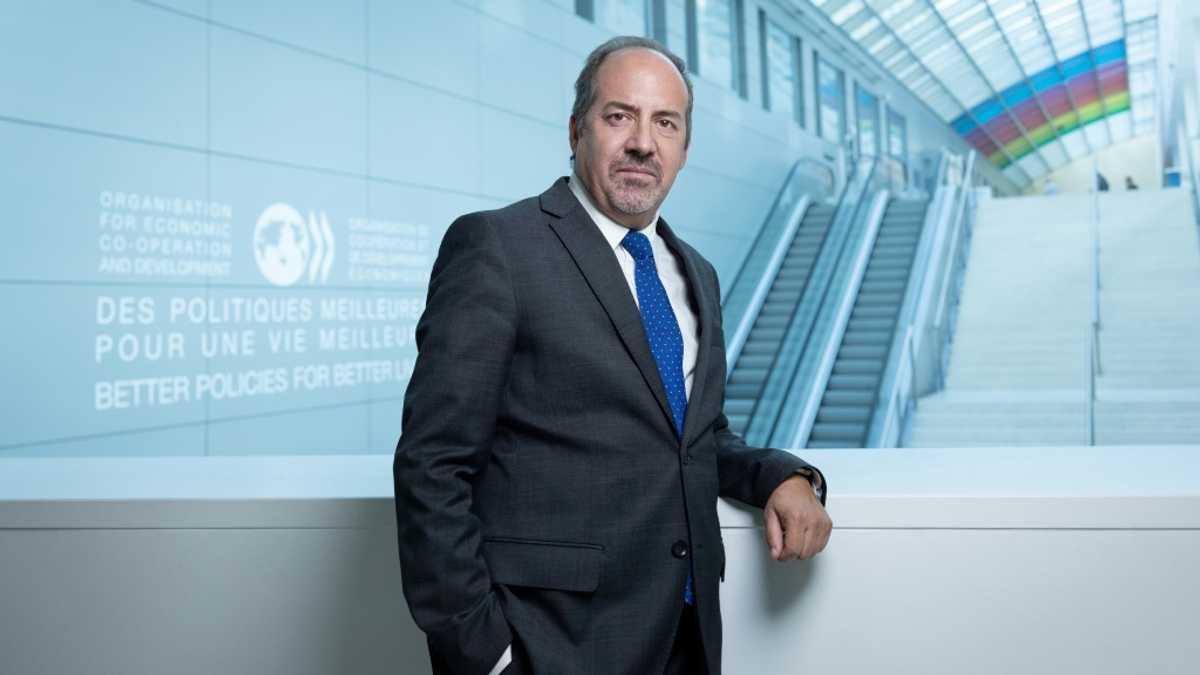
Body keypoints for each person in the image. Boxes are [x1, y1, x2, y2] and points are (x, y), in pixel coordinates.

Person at [393, 36, 831, 675]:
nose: (642, 143)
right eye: (619, 116)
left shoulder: (697, 273)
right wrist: (484, 654)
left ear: (684, 148)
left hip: (685, 636)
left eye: (665, 123)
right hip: (552, 645)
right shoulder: (498, 247)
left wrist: (778, 476)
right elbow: (433, 465)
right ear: (577, 130)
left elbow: (690, 438)